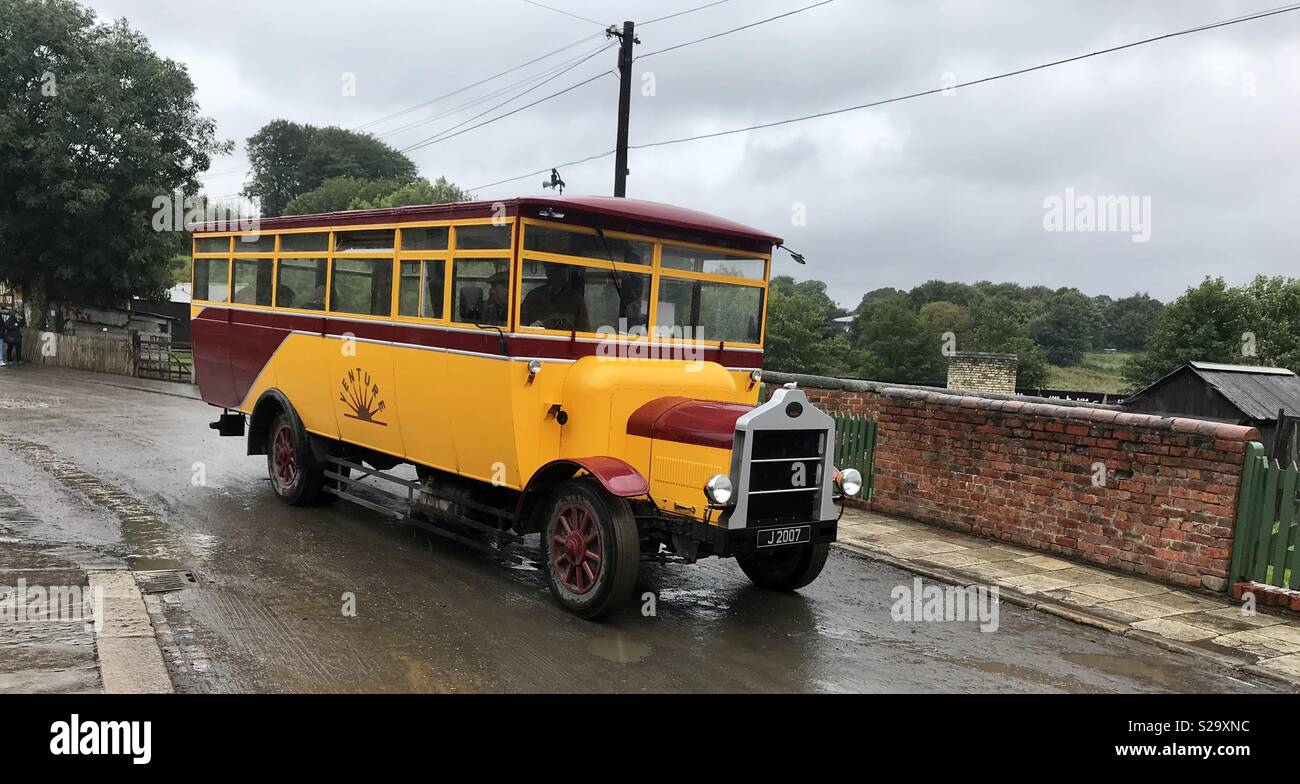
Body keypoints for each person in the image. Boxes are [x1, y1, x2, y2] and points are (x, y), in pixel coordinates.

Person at [521, 264, 589, 332]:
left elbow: (584, 330)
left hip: (565, 341)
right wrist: (529, 328)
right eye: (557, 269)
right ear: (547, 272)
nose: (562, 272)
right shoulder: (533, 296)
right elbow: (519, 324)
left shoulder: (576, 299)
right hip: (535, 339)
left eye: (564, 269)